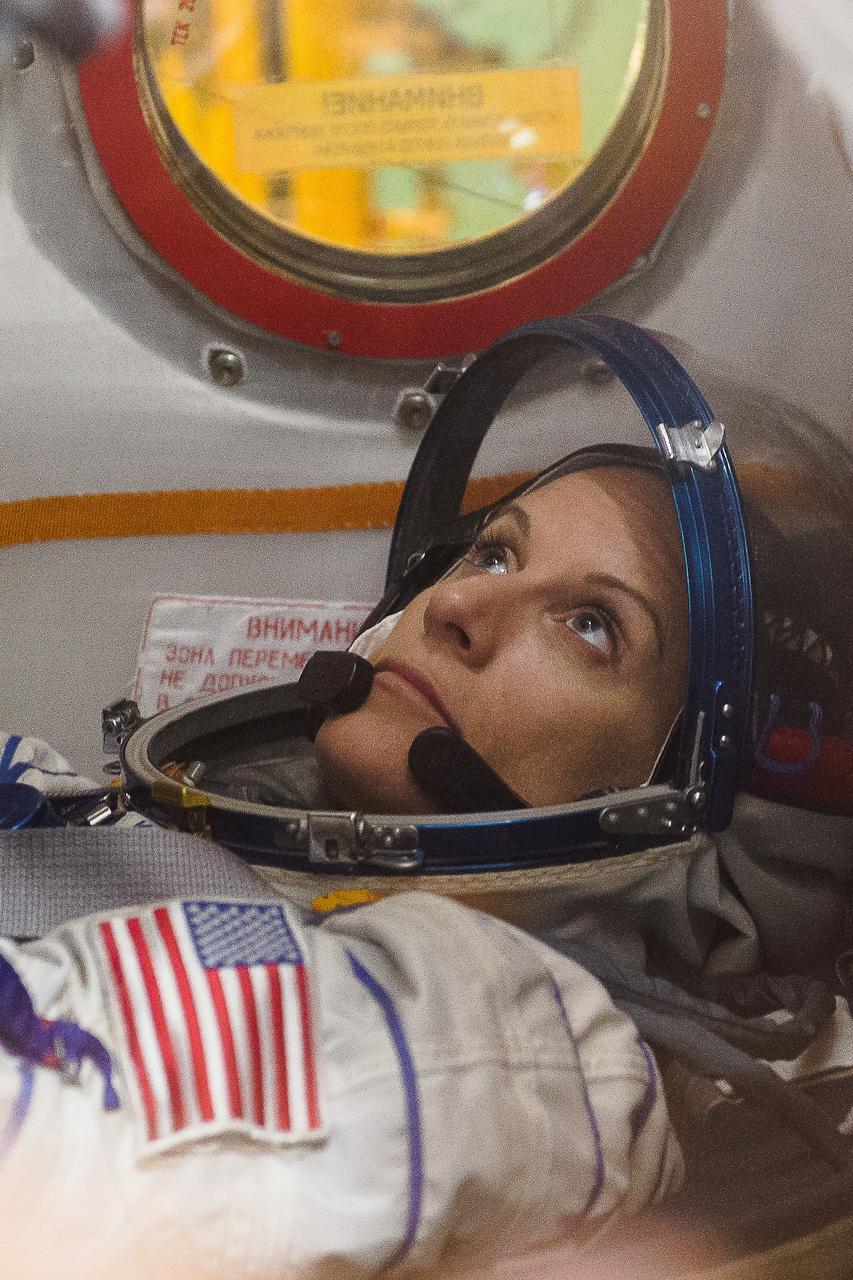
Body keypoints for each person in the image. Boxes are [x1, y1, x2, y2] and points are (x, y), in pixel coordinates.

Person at [0, 315, 850, 1279]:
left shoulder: (508, 1042)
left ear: (671, 791)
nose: (452, 607)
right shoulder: (208, 844)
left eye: (588, 625)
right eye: (493, 553)